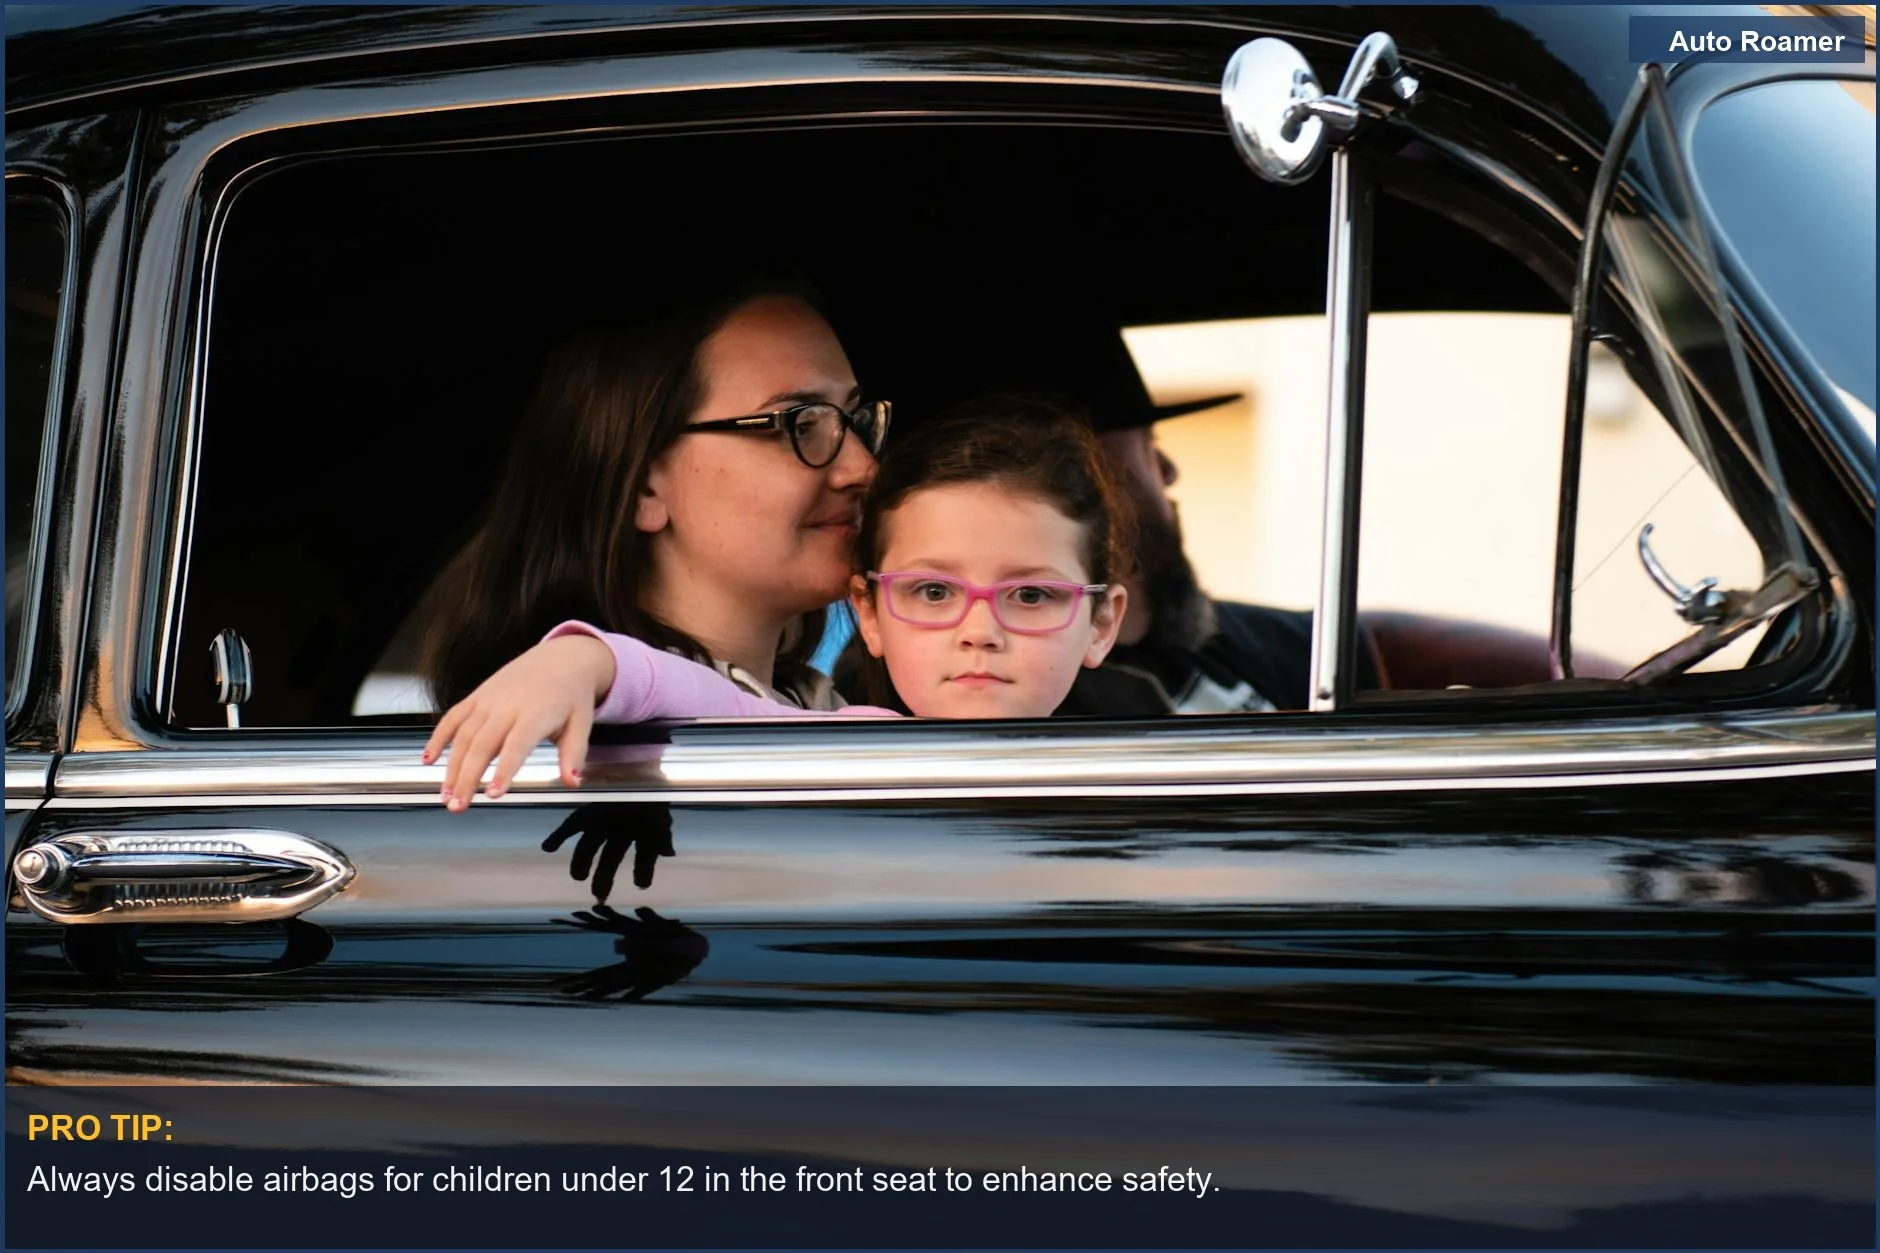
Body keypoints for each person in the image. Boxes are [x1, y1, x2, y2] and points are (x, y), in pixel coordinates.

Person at [424, 398, 1131, 803]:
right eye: (935, 590)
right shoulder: (847, 743)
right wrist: (583, 660)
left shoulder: (1143, 777)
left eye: (1032, 593)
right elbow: (701, 693)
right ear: (870, 614)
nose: (981, 629)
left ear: (1102, 623)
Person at [420, 272, 889, 803]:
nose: (863, 467)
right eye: (798, 424)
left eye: (852, 420)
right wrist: (586, 663)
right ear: (644, 483)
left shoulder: (825, 704)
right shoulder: (568, 758)